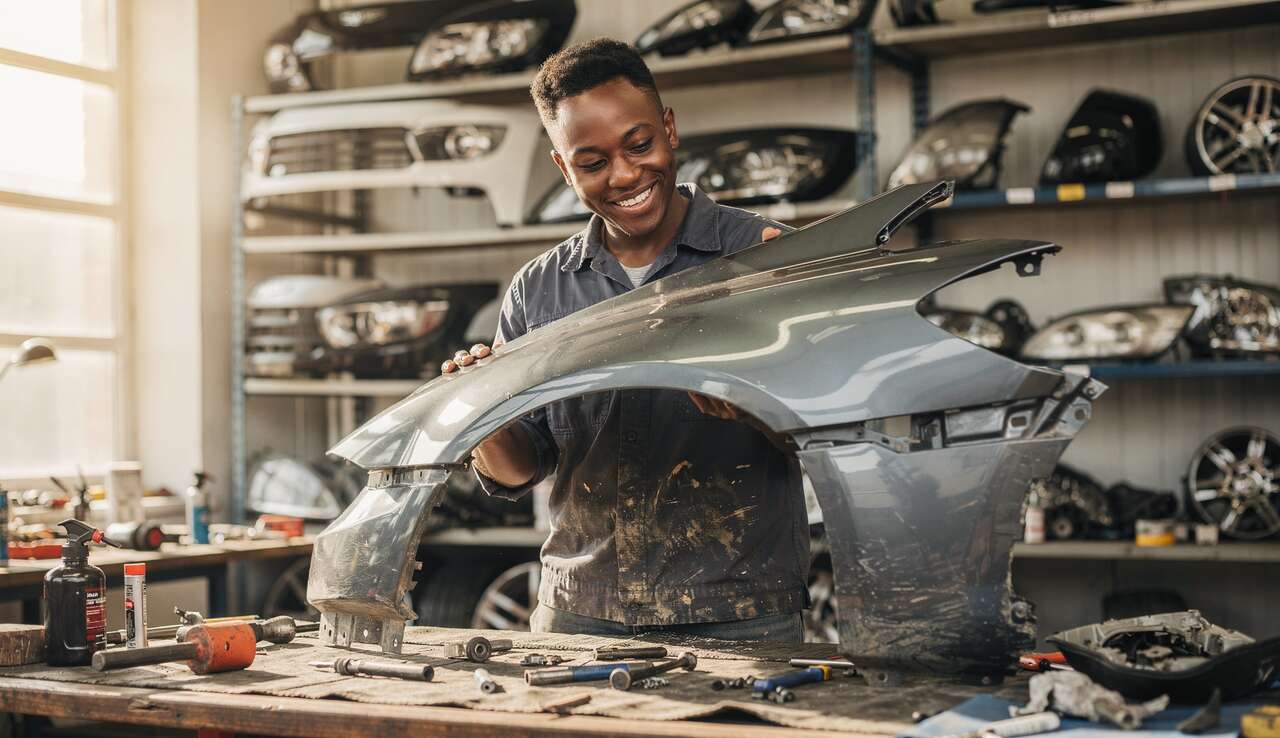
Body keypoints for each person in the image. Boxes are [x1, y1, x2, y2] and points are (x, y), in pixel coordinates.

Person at [441, 38, 809, 642]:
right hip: (578, 614)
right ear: (563, 168)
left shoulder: (765, 257)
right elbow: (519, 471)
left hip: (741, 613)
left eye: (640, 145)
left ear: (669, 128)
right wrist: (485, 414)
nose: (626, 175)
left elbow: (833, 428)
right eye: (592, 163)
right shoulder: (539, 291)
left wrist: (756, 410)